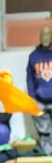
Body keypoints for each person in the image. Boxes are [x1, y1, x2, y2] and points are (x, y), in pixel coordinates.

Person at [27, 25, 52, 154]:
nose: (45, 38)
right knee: (44, 132)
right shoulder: (33, 56)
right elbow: (30, 78)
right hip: (40, 101)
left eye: (48, 35)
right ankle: (48, 158)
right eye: (42, 35)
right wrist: (32, 97)